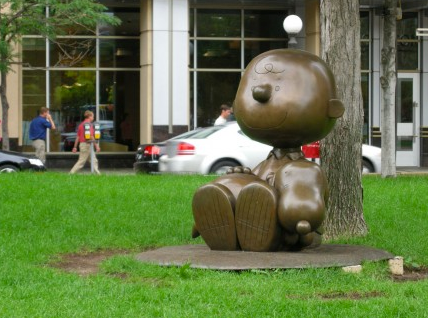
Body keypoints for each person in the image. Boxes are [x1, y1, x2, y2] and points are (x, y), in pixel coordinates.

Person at [70, 110, 101, 175]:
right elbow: (91, 136)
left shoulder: (81, 125)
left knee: (94, 160)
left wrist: (75, 147)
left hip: (84, 145)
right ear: (89, 116)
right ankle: (71, 174)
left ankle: (98, 174)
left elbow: (78, 137)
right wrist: (97, 146)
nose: (93, 118)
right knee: (81, 161)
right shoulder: (89, 125)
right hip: (87, 145)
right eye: (93, 116)